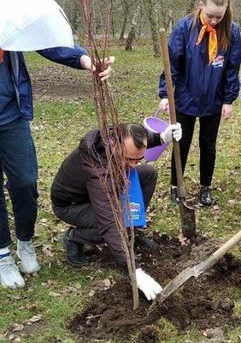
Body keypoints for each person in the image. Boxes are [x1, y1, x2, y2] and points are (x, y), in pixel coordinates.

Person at [0, 43, 114, 289]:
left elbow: (45, 38)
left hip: (11, 116)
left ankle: (25, 241)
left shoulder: (7, 14)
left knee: (25, 182)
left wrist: (84, 60)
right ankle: (3, 255)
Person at [51, 121, 182, 301]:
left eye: (139, 159)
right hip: (72, 205)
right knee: (115, 224)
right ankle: (73, 237)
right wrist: (134, 270)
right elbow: (109, 221)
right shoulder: (97, 169)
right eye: (130, 159)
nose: (135, 165)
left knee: (148, 174)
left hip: (99, 193)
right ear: (114, 145)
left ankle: (132, 229)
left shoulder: (118, 135)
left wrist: (161, 138)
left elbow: (138, 140)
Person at [158, 0, 241, 206]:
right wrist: (166, 94)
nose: (215, 20)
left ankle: (205, 187)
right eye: (210, 15)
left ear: (226, 10)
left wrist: (228, 100)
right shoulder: (185, 28)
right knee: (181, 142)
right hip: (186, 97)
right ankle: (176, 186)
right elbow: (171, 65)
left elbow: (232, 69)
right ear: (201, 5)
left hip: (213, 99)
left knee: (208, 145)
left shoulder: (231, 31)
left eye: (219, 16)